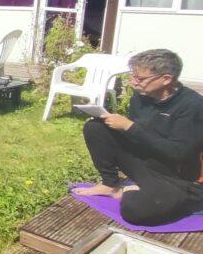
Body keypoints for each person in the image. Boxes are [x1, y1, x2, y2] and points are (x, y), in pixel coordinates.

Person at [73, 49, 203, 226]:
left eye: (139, 79)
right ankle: (111, 185)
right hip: (144, 163)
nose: (133, 82)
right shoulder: (141, 96)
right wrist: (116, 125)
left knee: (135, 212)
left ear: (166, 79)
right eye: (132, 76)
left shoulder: (192, 105)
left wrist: (129, 127)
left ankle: (141, 192)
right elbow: (138, 136)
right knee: (95, 127)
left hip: (175, 175)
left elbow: (178, 153)